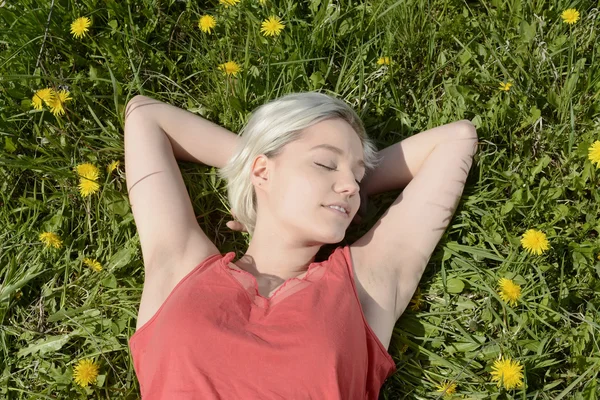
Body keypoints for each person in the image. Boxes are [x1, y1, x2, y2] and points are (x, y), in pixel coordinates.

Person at [123, 91, 478, 399]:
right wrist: (249, 162)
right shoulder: (181, 265)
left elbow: (456, 140)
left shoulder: (363, 287)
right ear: (263, 171)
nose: (351, 186)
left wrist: (343, 188)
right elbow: (145, 116)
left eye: (357, 176)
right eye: (325, 163)